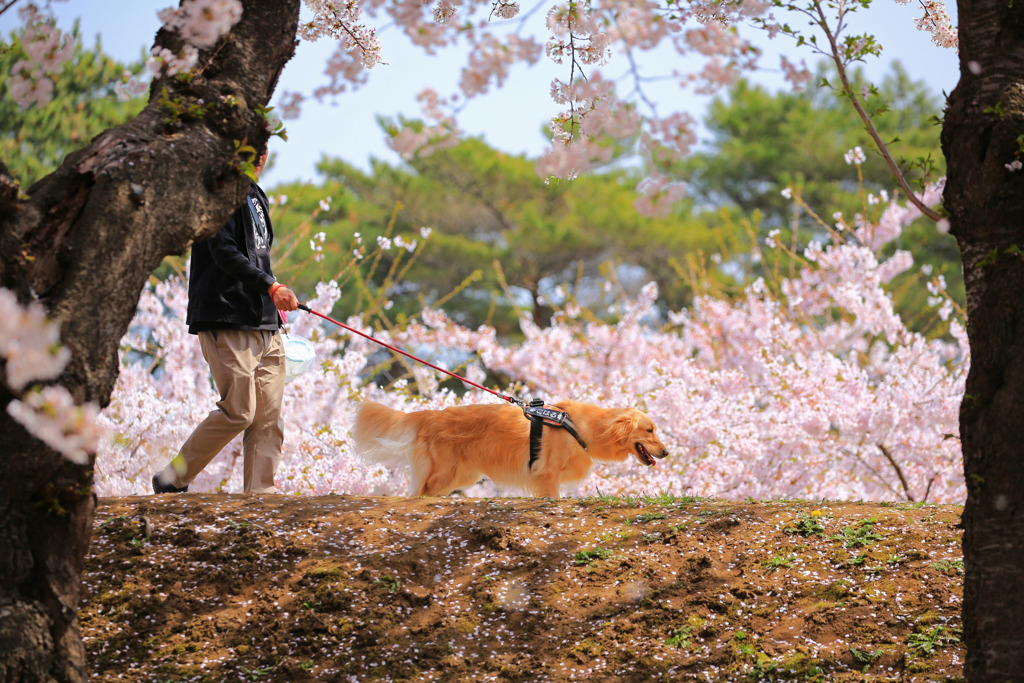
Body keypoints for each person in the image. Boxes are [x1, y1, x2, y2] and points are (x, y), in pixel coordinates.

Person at [153, 148, 299, 494]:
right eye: (254, 146)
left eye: (265, 147)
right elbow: (223, 251)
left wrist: (274, 295)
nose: (262, 154)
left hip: (265, 322)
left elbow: (258, 256)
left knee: (269, 417)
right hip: (227, 316)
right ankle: (172, 477)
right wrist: (271, 285)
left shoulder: (255, 194)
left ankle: (260, 496)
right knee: (239, 411)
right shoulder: (217, 194)